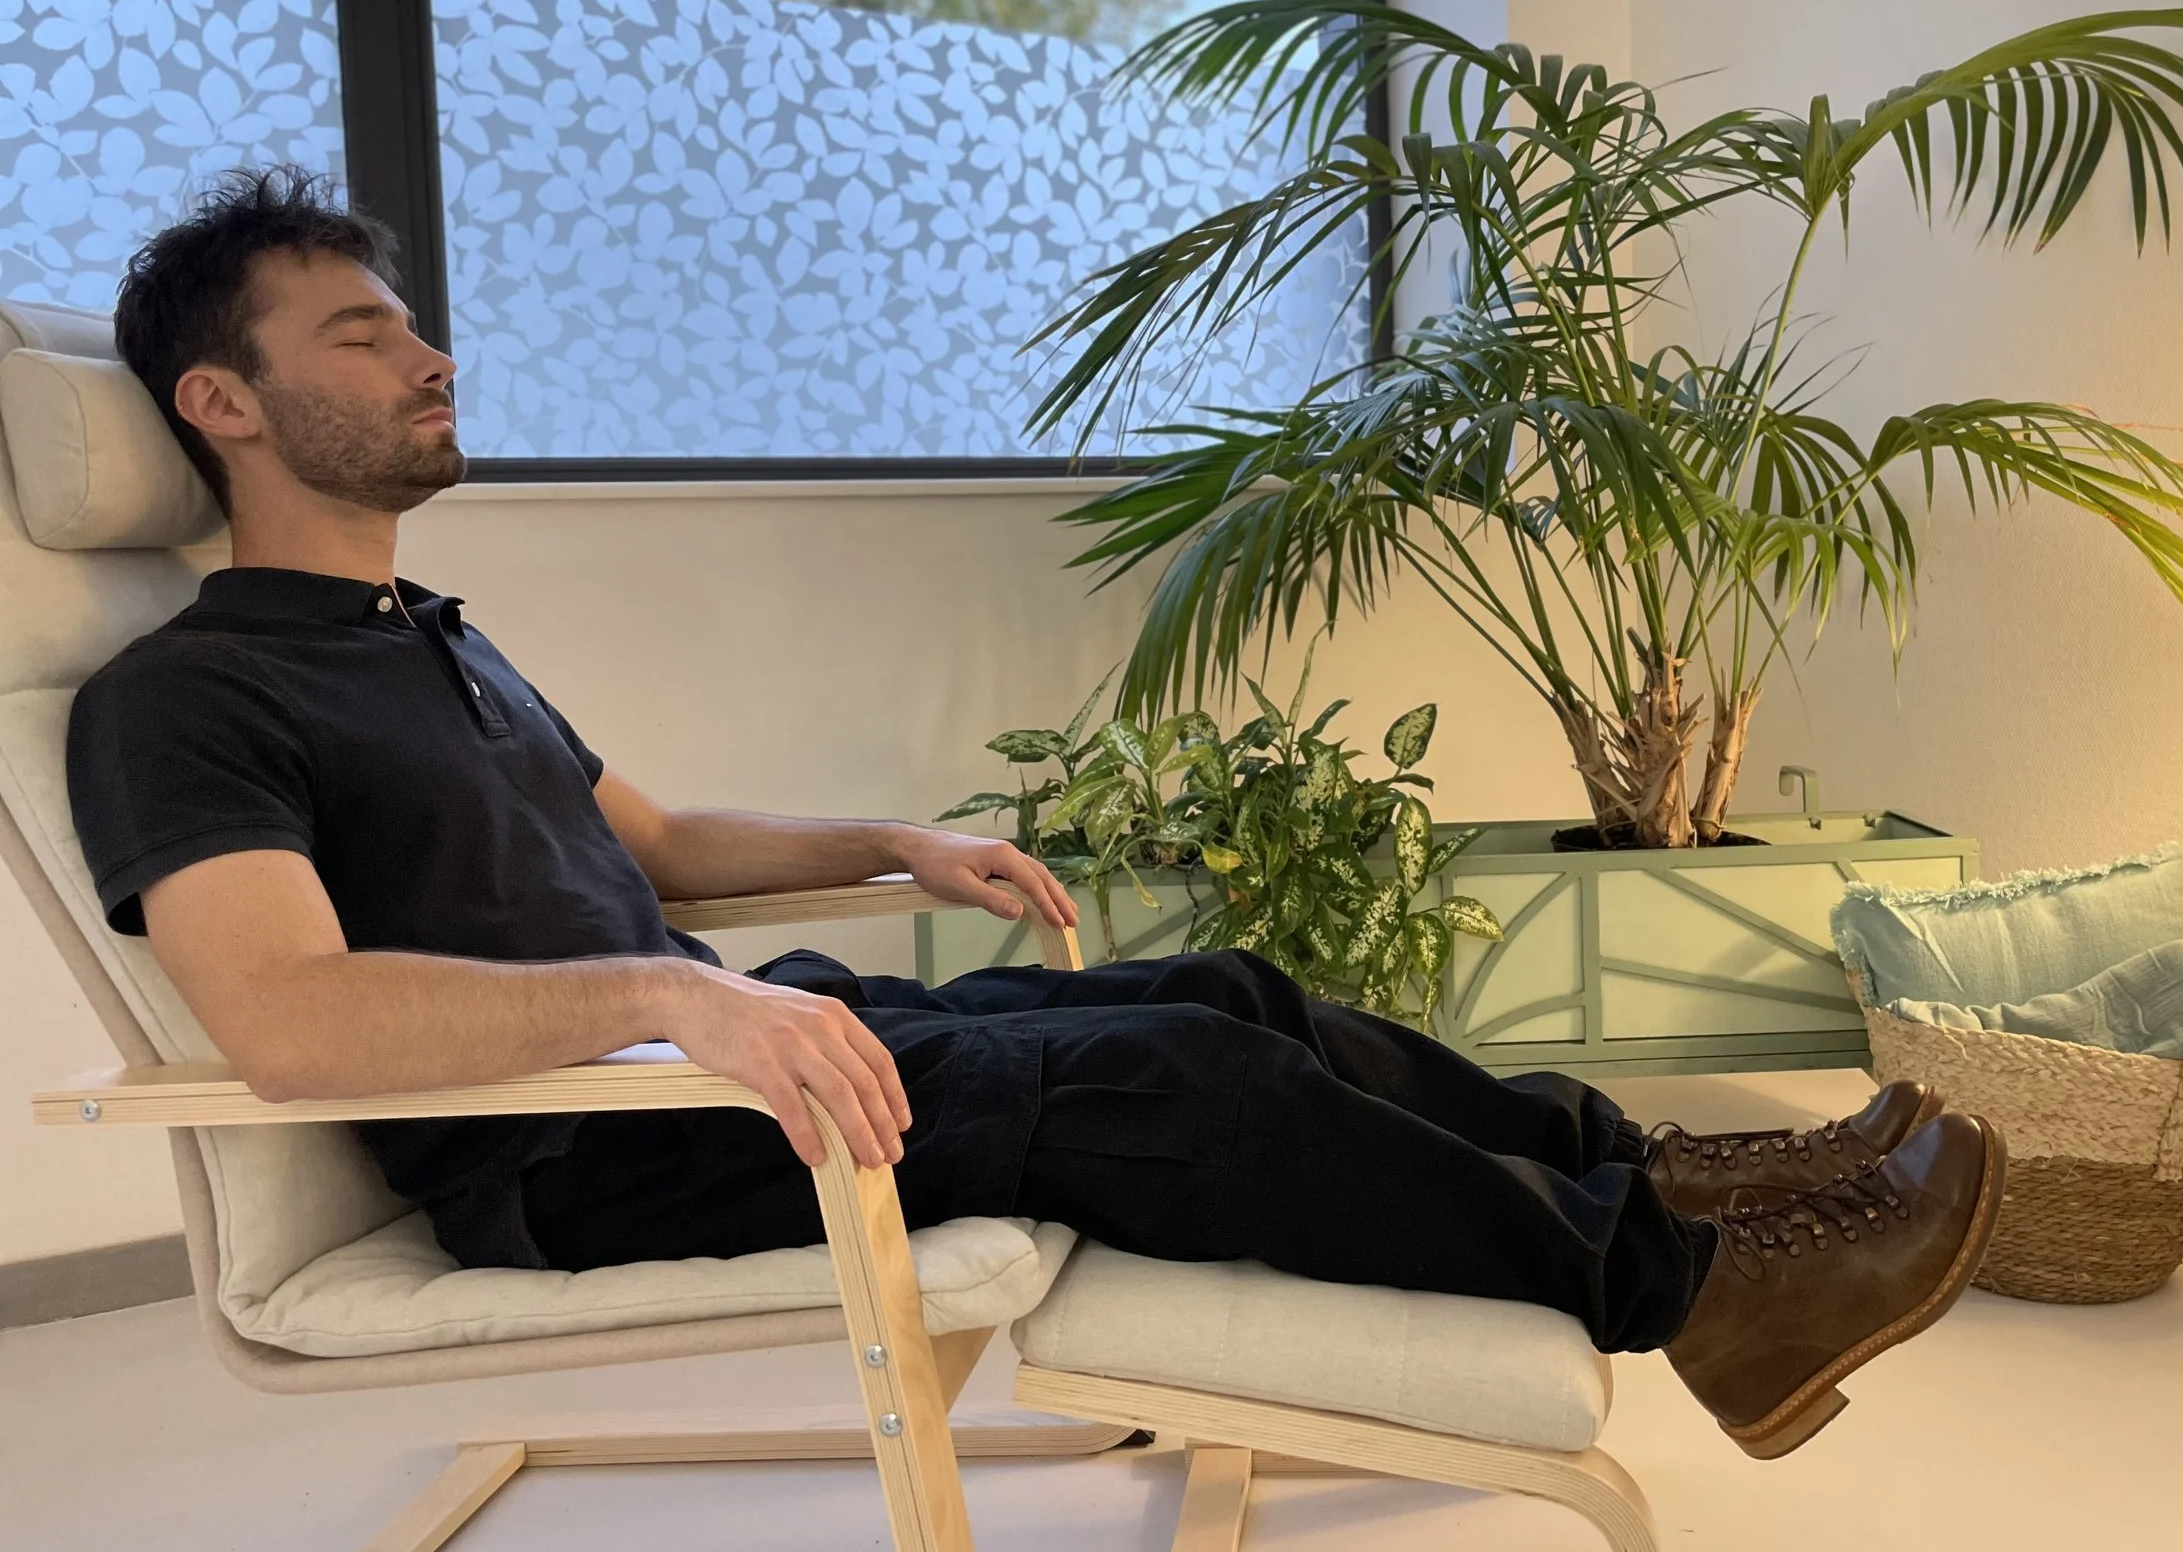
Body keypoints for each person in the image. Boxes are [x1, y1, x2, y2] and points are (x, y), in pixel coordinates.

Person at [66, 168, 2003, 1461]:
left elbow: (644, 855)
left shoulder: (430, 636)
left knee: (1227, 986)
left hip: (733, 1061)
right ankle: (1693, 1299)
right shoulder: (185, 693)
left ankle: (1664, 1176)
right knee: (1167, 1075)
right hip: (577, 1159)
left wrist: (889, 846)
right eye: (360, 337)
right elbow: (293, 1021)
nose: (429, 358)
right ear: (219, 405)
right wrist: (663, 1009)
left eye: (411, 326)